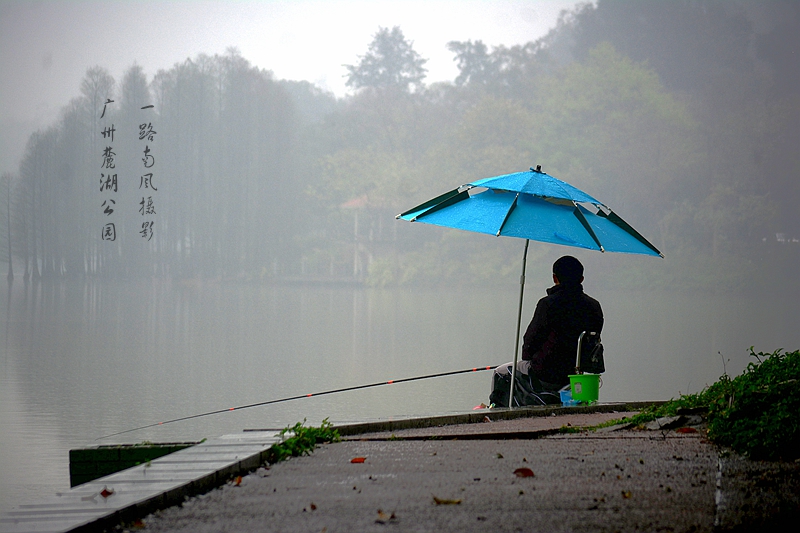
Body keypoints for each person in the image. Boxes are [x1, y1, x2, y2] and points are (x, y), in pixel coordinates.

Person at [489, 255, 604, 406]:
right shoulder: (594, 306)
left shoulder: (548, 304)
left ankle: (498, 410)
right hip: (578, 371)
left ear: (555, 278)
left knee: (500, 372)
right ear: (581, 279)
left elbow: (530, 340)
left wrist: (529, 360)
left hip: (546, 370)